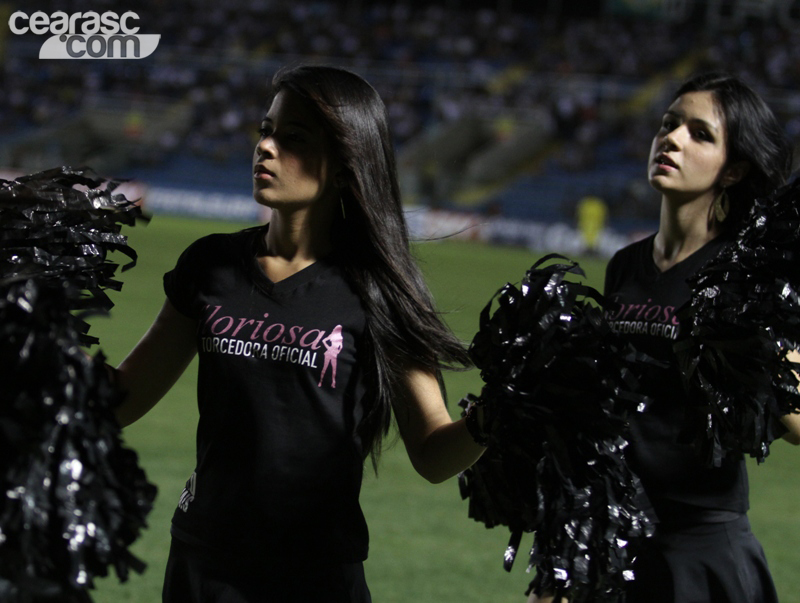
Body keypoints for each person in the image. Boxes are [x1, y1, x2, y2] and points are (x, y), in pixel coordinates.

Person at [113, 64, 486, 603]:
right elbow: (123, 398)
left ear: (344, 166)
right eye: (266, 130)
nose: (265, 147)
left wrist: (496, 417)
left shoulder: (378, 291)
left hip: (316, 578)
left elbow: (432, 453)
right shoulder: (211, 264)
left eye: (294, 139)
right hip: (203, 563)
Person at [529, 71, 800, 603]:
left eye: (700, 134)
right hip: (616, 536)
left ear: (733, 169)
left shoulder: (743, 277)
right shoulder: (625, 265)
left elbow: (797, 421)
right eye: (669, 124)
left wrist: (750, 352)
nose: (672, 138)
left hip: (698, 546)